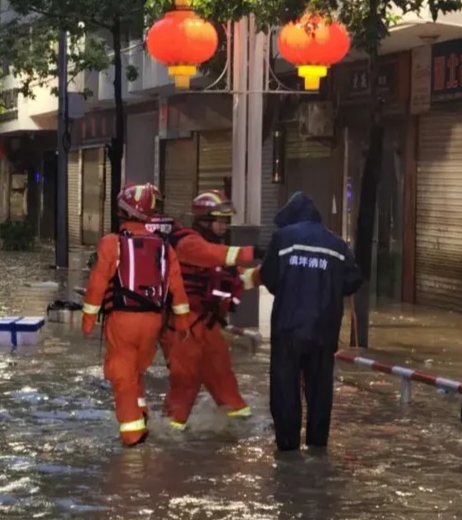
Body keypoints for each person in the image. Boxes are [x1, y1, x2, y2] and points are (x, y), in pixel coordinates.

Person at [81, 183, 191, 446]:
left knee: (122, 374)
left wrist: (87, 321)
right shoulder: (164, 247)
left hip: (123, 320)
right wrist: (183, 323)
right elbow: (177, 288)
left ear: (123, 212)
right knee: (136, 371)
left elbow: (97, 284)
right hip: (154, 323)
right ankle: (142, 414)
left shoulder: (112, 243)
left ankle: (132, 437)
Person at [260, 191, 362, 452]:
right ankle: (317, 447)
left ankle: (287, 448)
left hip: (288, 328)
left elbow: (269, 278)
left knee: (285, 389)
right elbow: (353, 281)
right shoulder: (337, 245)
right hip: (324, 332)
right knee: (319, 391)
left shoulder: (282, 239)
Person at [160, 190, 264, 429]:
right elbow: (214, 256)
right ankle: (168, 436)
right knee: (185, 383)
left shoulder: (214, 248)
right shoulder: (189, 244)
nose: (224, 226)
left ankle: (240, 426)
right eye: (220, 220)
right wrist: (252, 252)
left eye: (226, 221)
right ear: (205, 219)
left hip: (207, 327)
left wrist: (265, 274)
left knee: (224, 379)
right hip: (183, 328)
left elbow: (239, 280)